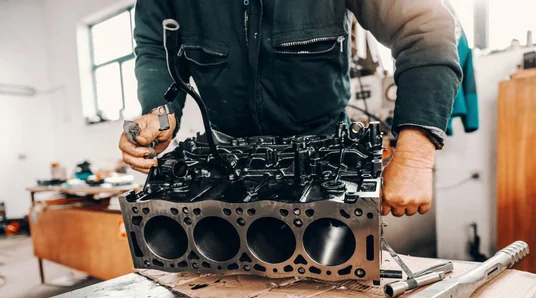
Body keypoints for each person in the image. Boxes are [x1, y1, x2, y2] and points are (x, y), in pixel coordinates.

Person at [119, 0, 462, 217]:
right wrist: (158, 111)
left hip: (325, 166)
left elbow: (425, 26)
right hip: (223, 167)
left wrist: (415, 156)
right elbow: (154, 46)